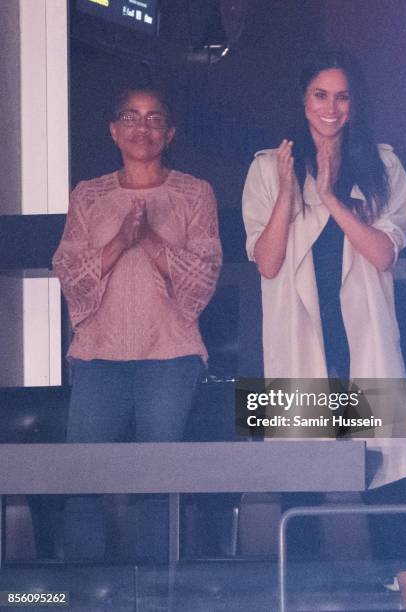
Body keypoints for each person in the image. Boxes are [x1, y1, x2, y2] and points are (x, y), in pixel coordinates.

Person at [242, 50, 406, 608]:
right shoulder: (267, 167)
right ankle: (303, 597)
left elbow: (383, 253)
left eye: (342, 96)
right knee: (302, 472)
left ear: (354, 102)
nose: (331, 107)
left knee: (389, 471)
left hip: (361, 338)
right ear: (303, 100)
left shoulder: (382, 164)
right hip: (301, 339)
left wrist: (332, 197)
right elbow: (267, 262)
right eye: (321, 94)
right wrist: (293, 192)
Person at [53, 86, 222, 562]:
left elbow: (202, 280)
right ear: (113, 130)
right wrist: (119, 241)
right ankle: (82, 592)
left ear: (169, 133)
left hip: (169, 358)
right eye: (130, 116)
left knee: (160, 479)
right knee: (83, 479)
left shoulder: (194, 192)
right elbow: (69, 273)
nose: (141, 127)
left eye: (153, 119)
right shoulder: (89, 195)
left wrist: (147, 238)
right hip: (97, 359)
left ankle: (159, 593)